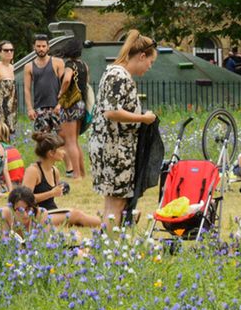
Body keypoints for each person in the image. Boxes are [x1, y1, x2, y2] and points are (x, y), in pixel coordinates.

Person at [89, 30, 159, 227]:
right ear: (141, 56)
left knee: (112, 201)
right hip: (116, 149)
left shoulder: (113, 72)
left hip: (110, 146)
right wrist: (143, 118)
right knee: (118, 203)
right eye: (150, 62)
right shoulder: (119, 76)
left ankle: (106, 240)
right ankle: (111, 242)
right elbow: (111, 112)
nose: (150, 67)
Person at [22, 131, 100, 228]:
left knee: (76, 216)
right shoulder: (33, 171)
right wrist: (51, 193)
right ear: (51, 153)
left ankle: (105, 221)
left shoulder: (55, 171)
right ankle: (107, 223)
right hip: (36, 216)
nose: (64, 152)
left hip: (51, 212)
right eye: (61, 149)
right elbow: (24, 200)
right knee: (76, 215)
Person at [55, 35, 90, 179]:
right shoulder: (84, 65)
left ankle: (76, 174)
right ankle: (82, 172)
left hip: (70, 105)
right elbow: (86, 82)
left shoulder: (70, 65)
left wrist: (61, 93)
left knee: (69, 141)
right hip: (81, 103)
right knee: (75, 141)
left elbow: (67, 80)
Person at [24, 33, 65, 135]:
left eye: (43, 46)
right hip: (39, 108)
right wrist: (29, 109)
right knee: (42, 140)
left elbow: (65, 85)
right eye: (38, 46)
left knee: (61, 139)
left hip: (56, 107)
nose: (41, 49)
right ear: (34, 47)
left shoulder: (58, 62)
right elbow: (27, 89)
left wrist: (60, 104)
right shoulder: (28, 66)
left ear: (48, 47)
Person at [0, 41, 19, 139]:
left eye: (11, 50)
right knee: (0, 133)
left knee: (10, 133)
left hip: (11, 106)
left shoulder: (13, 67)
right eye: (6, 50)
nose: (9, 52)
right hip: (0, 106)